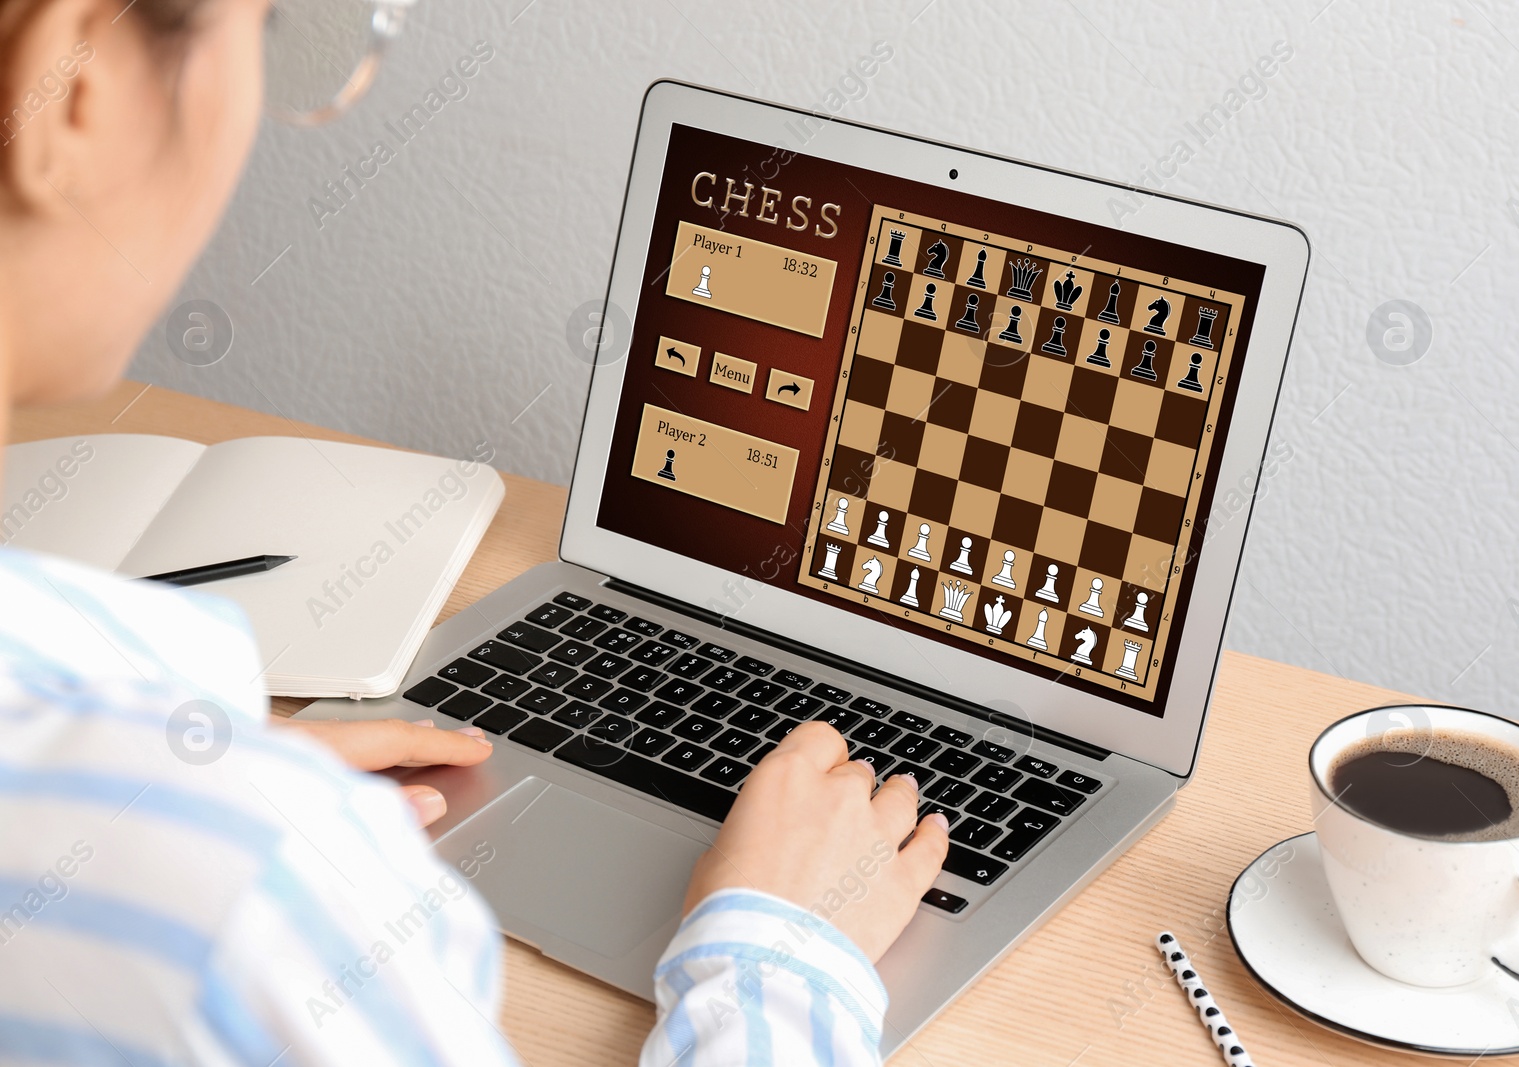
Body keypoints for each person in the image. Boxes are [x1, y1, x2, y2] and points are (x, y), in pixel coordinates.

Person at [0, 1, 949, 1063]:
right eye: (264, 25)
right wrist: (782, 953)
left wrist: (175, 786)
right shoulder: (240, 916)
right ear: (69, 97)